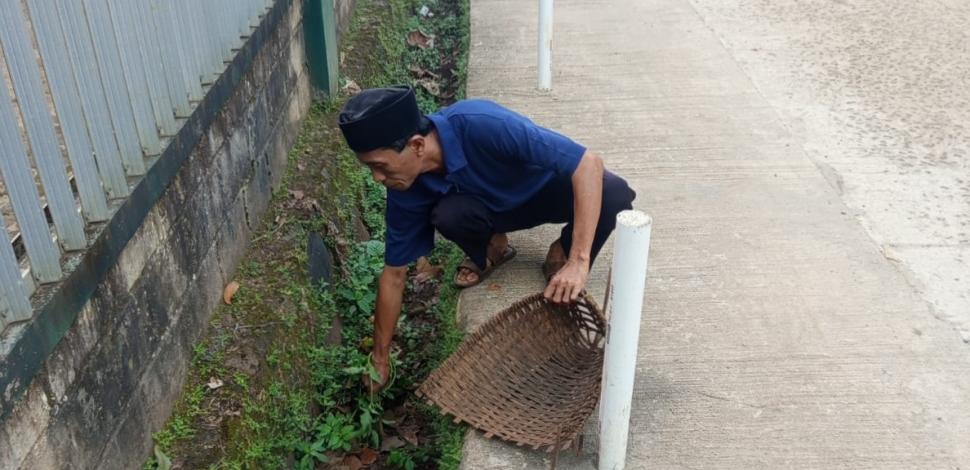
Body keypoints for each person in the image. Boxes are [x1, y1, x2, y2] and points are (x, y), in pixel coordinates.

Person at [337, 86, 635, 391]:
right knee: (449, 215)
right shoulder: (404, 187)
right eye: (370, 168)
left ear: (416, 145)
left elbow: (588, 163)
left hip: (545, 193)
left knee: (614, 193)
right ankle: (493, 247)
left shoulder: (481, 123)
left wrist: (578, 260)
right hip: (495, 214)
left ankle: (564, 248)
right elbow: (393, 275)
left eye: (380, 166)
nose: (377, 178)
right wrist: (380, 359)